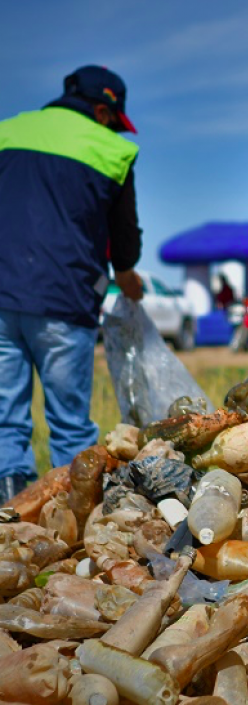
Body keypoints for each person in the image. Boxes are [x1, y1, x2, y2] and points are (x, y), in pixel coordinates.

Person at [0, 66, 144, 499]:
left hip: (2, 295)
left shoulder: (8, 131)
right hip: (65, 300)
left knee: (5, 418)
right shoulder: (112, 150)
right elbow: (124, 240)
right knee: (69, 423)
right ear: (102, 111)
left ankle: (10, 507)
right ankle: (69, 511)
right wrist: (127, 275)